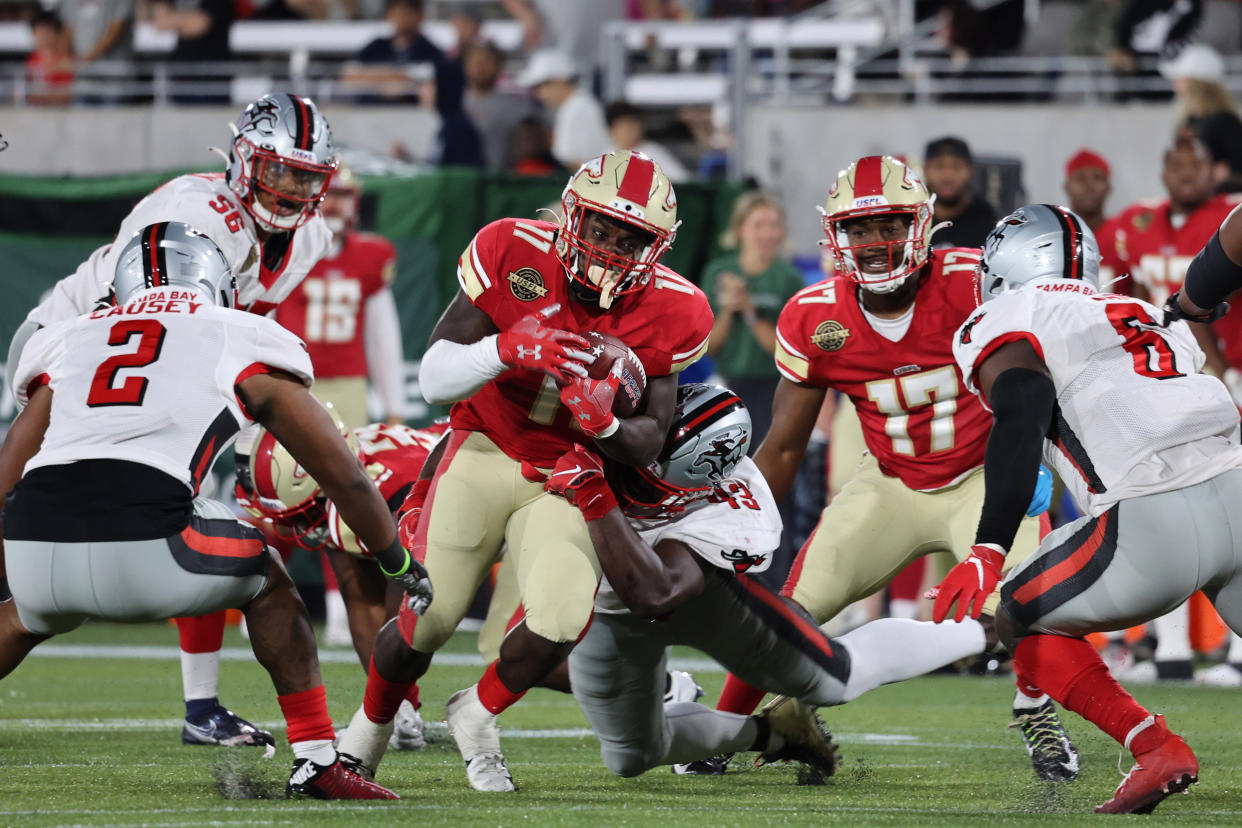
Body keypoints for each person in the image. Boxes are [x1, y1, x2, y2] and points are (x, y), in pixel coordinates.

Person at [0, 222, 426, 800]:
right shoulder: (238, 332)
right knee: (267, 574)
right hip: (152, 544)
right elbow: (343, 474)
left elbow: (7, 477)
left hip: (34, 537)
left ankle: (202, 703)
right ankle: (317, 761)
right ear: (214, 280)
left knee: (22, 617)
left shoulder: (70, 336)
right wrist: (396, 560)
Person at [336, 150, 713, 793]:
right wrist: (504, 349)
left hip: (569, 475)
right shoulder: (512, 246)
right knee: (430, 616)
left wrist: (607, 427)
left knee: (562, 619)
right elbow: (432, 375)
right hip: (483, 448)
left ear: (660, 246)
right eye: (600, 229)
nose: (613, 249)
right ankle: (363, 736)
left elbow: (650, 439)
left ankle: (476, 717)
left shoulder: (678, 308)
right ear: (572, 216)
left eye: (633, 239)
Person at [704, 156, 1077, 783]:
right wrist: (741, 527)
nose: (875, 244)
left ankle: (1037, 708)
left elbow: (1041, 385)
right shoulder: (811, 315)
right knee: (789, 610)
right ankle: (718, 732)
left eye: (890, 225)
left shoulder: (975, 283)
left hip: (983, 479)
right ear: (835, 236)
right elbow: (786, 445)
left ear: (923, 224)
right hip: (889, 483)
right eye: (859, 229)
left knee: (1024, 608)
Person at [6, 92, 337, 750]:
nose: (292, 187)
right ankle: (202, 706)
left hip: (156, 357)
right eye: (278, 170)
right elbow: (136, 320)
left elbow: (232, 327)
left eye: (306, 175)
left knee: (198, 508)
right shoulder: (189, 212)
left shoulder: (310, 236)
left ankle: (201, 708)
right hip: (78, 342)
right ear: (243, 162)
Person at [938, 202, 1242, 814]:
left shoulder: (1007, 313)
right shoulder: (1146, 313)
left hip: (1152, 518)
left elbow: (1024, 396)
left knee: (1018, 614)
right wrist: (1192, 301)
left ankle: (1154, 747)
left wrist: (988, 546)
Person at [552, 384, 994, 780]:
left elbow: (656, 593)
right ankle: (774, 735)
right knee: (631, 757)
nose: (631, 473)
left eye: (649, 470)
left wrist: (594, 495)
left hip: (704, 600)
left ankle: (985, 629)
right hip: (613, 612)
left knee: (836, 679)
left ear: (696, 479)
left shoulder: (726, 509)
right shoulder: (606, 443)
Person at [243, 419, 447, 750]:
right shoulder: (334, 474)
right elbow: (363, 602)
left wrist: (390, 699)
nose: (294, 528)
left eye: (297, 515)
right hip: (389, 483)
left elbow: (406, 613)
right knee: (364, 592)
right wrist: (398, 709)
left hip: (495, 478)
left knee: (507, 640)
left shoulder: (388, 489)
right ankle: (399, 711)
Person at [275, 164, 405, 431]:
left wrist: (395, 408)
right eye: (327, 196)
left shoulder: (370, 256)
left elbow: (383, 336)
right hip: (293, 379)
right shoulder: (287, 249)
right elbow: (265, 320)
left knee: (348, 463)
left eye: (343, 196)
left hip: (349, 383)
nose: (335, 205)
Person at [700, 191, 804, 445]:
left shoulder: (790, 278)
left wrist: (749, 311)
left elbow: (787, 351)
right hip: (728, 385)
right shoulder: (717, 272)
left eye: (774, 225)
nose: (768, 234)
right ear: (739, 229)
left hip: (775, 388)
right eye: (758, 225)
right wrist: (728, 308)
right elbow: (709, 347)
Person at [1161, 44, 1242, 193]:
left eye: (1180, 79)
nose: (1176, 85)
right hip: (1194, 199)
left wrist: (1223, 173)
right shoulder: (1188, 122)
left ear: (1196, 83)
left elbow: (1237, 164)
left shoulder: (1225, 121)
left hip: (1220, 200)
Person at [517, 50, 612, 170]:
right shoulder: (572, 106)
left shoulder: (578, 107)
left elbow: (577, 163)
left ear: (560, 79)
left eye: (543, 85)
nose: (540, 94)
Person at [462, 42, 539, 171]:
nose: (479, 65)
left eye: (486, 60)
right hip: (458, 182)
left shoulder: (517, 107)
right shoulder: (450, 104)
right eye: (473, 60)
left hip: (498, 182)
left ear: (499, 66)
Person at [151, 0, 234, 105]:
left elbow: (199, 24)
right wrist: (185, 21)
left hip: (210, 81)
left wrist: (175, 20)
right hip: (181, 79)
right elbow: (160, 23)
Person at [922, 136, 998, 249]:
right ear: (925, 170)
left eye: (957, 167)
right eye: (939, 167)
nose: (948, 176)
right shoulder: (913, 220)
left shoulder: (986, 219)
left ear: (970, 171)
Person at [605, 101, 690, 183]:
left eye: (634, 124)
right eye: (624, 126)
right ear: (612, 129)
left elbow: (681, 180)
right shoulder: (604, 157)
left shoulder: (654, 152)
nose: (630, 130)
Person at [24, 10, 75, 107]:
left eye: (48, 32)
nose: (44, 36)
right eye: (40, 31)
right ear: (33, 33)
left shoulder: (64, 61)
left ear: (56, 34)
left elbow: (68, 96)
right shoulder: (29, 60)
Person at [1063, 149, 1113, 234]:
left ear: (1108, 187)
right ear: (1067, 187)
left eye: (1097, 178)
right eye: (1080, 178)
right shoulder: (1054, 235)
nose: (1089, 187)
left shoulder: (1123, 236)